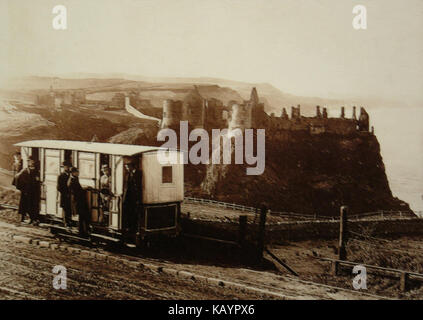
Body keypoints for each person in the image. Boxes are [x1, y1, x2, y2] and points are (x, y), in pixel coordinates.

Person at [16, 157, 41, 224]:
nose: (31, 163)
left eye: (32, 161)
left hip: (33, 192)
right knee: (24, 205)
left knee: (32, 206)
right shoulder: (25, 171)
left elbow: (37, 182)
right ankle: (22, 218)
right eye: (30, 161)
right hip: (26, 192)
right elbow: (18, 179)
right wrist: (21, 189)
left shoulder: (36, 171)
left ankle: (32, 218)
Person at [122, 160, 142, 237]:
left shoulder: (138, 174)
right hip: (128, 198)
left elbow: (138, 187)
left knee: (134, 214)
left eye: (127, 167)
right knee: (128, 213)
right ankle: (129, 229)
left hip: (134, 198)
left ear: (131, 166)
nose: (126, 168)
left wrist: (138, 199)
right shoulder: (128, 174)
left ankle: (133, 229)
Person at [68, 167, 90, 236]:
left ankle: (83, 230)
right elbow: (77, 191)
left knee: (83, 215)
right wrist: (85, 189)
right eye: (77, 172)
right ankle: (82, 231)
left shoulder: (74, 179)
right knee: (82, 215)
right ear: (73, 173)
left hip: (79, 200)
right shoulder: (72, 180)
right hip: (78, 200)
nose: (78, 173)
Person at [57, 161, 72, 227]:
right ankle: (66, 222)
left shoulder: (70, 175)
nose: (67, 168)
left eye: (68, 167)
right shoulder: (61, 176)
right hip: (64, 195)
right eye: (66, 167)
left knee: (70, 208)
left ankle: (69, 221)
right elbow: (59, 187)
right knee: (65, 208)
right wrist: (65, 193)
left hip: (70, 195)